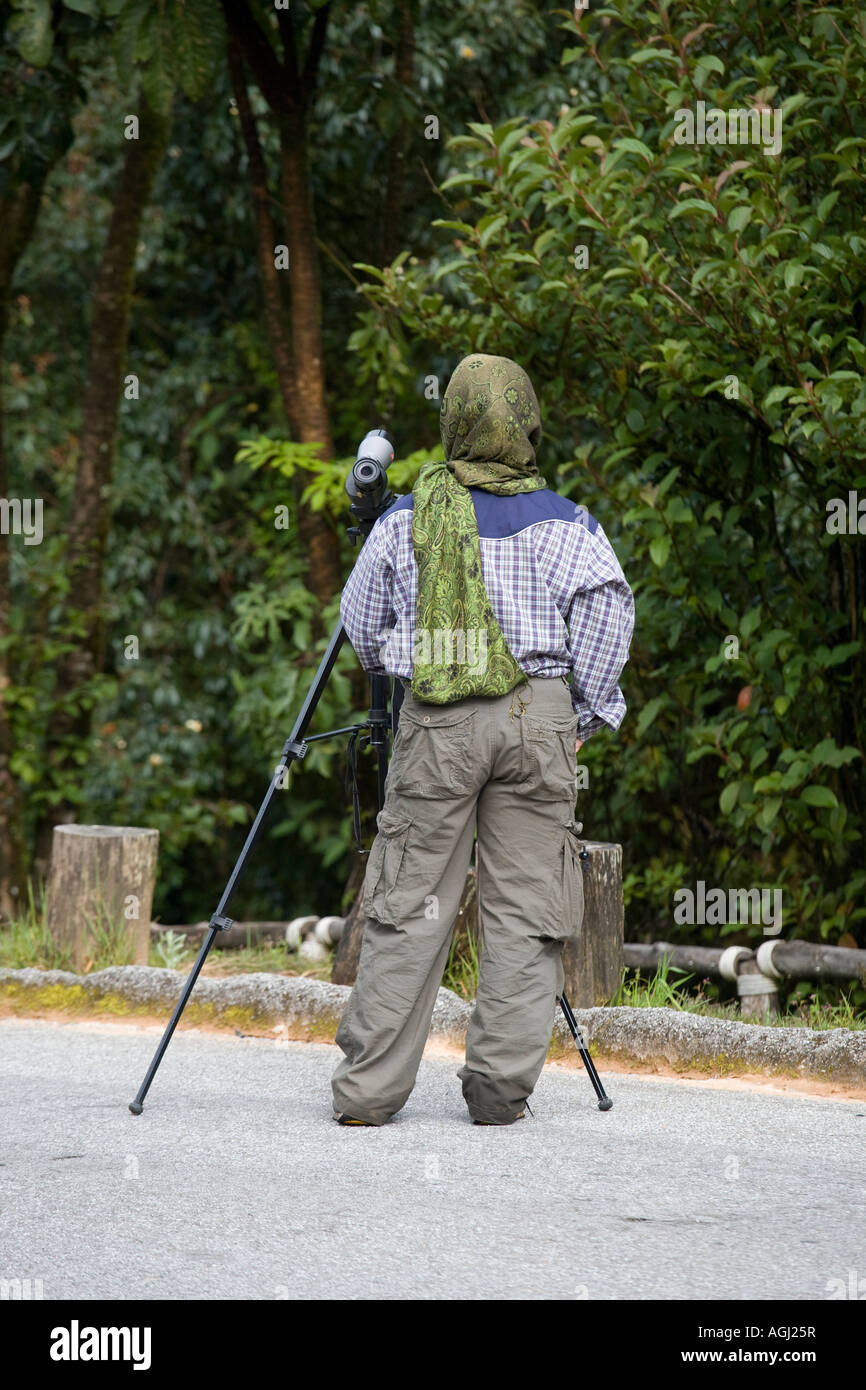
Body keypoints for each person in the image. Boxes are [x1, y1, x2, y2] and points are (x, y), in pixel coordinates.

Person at [331, 353, 634, 1127]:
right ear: (526, 424)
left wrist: (406, 667)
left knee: (408, 902)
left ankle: (369, 1091)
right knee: (527, 907)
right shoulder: (573, 525)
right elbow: (608, 613)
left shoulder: (405, 518)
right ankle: (500, 1093)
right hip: (540, 720)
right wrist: (584, 716)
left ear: (454, 423)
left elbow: (361, 627)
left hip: (438, 722)